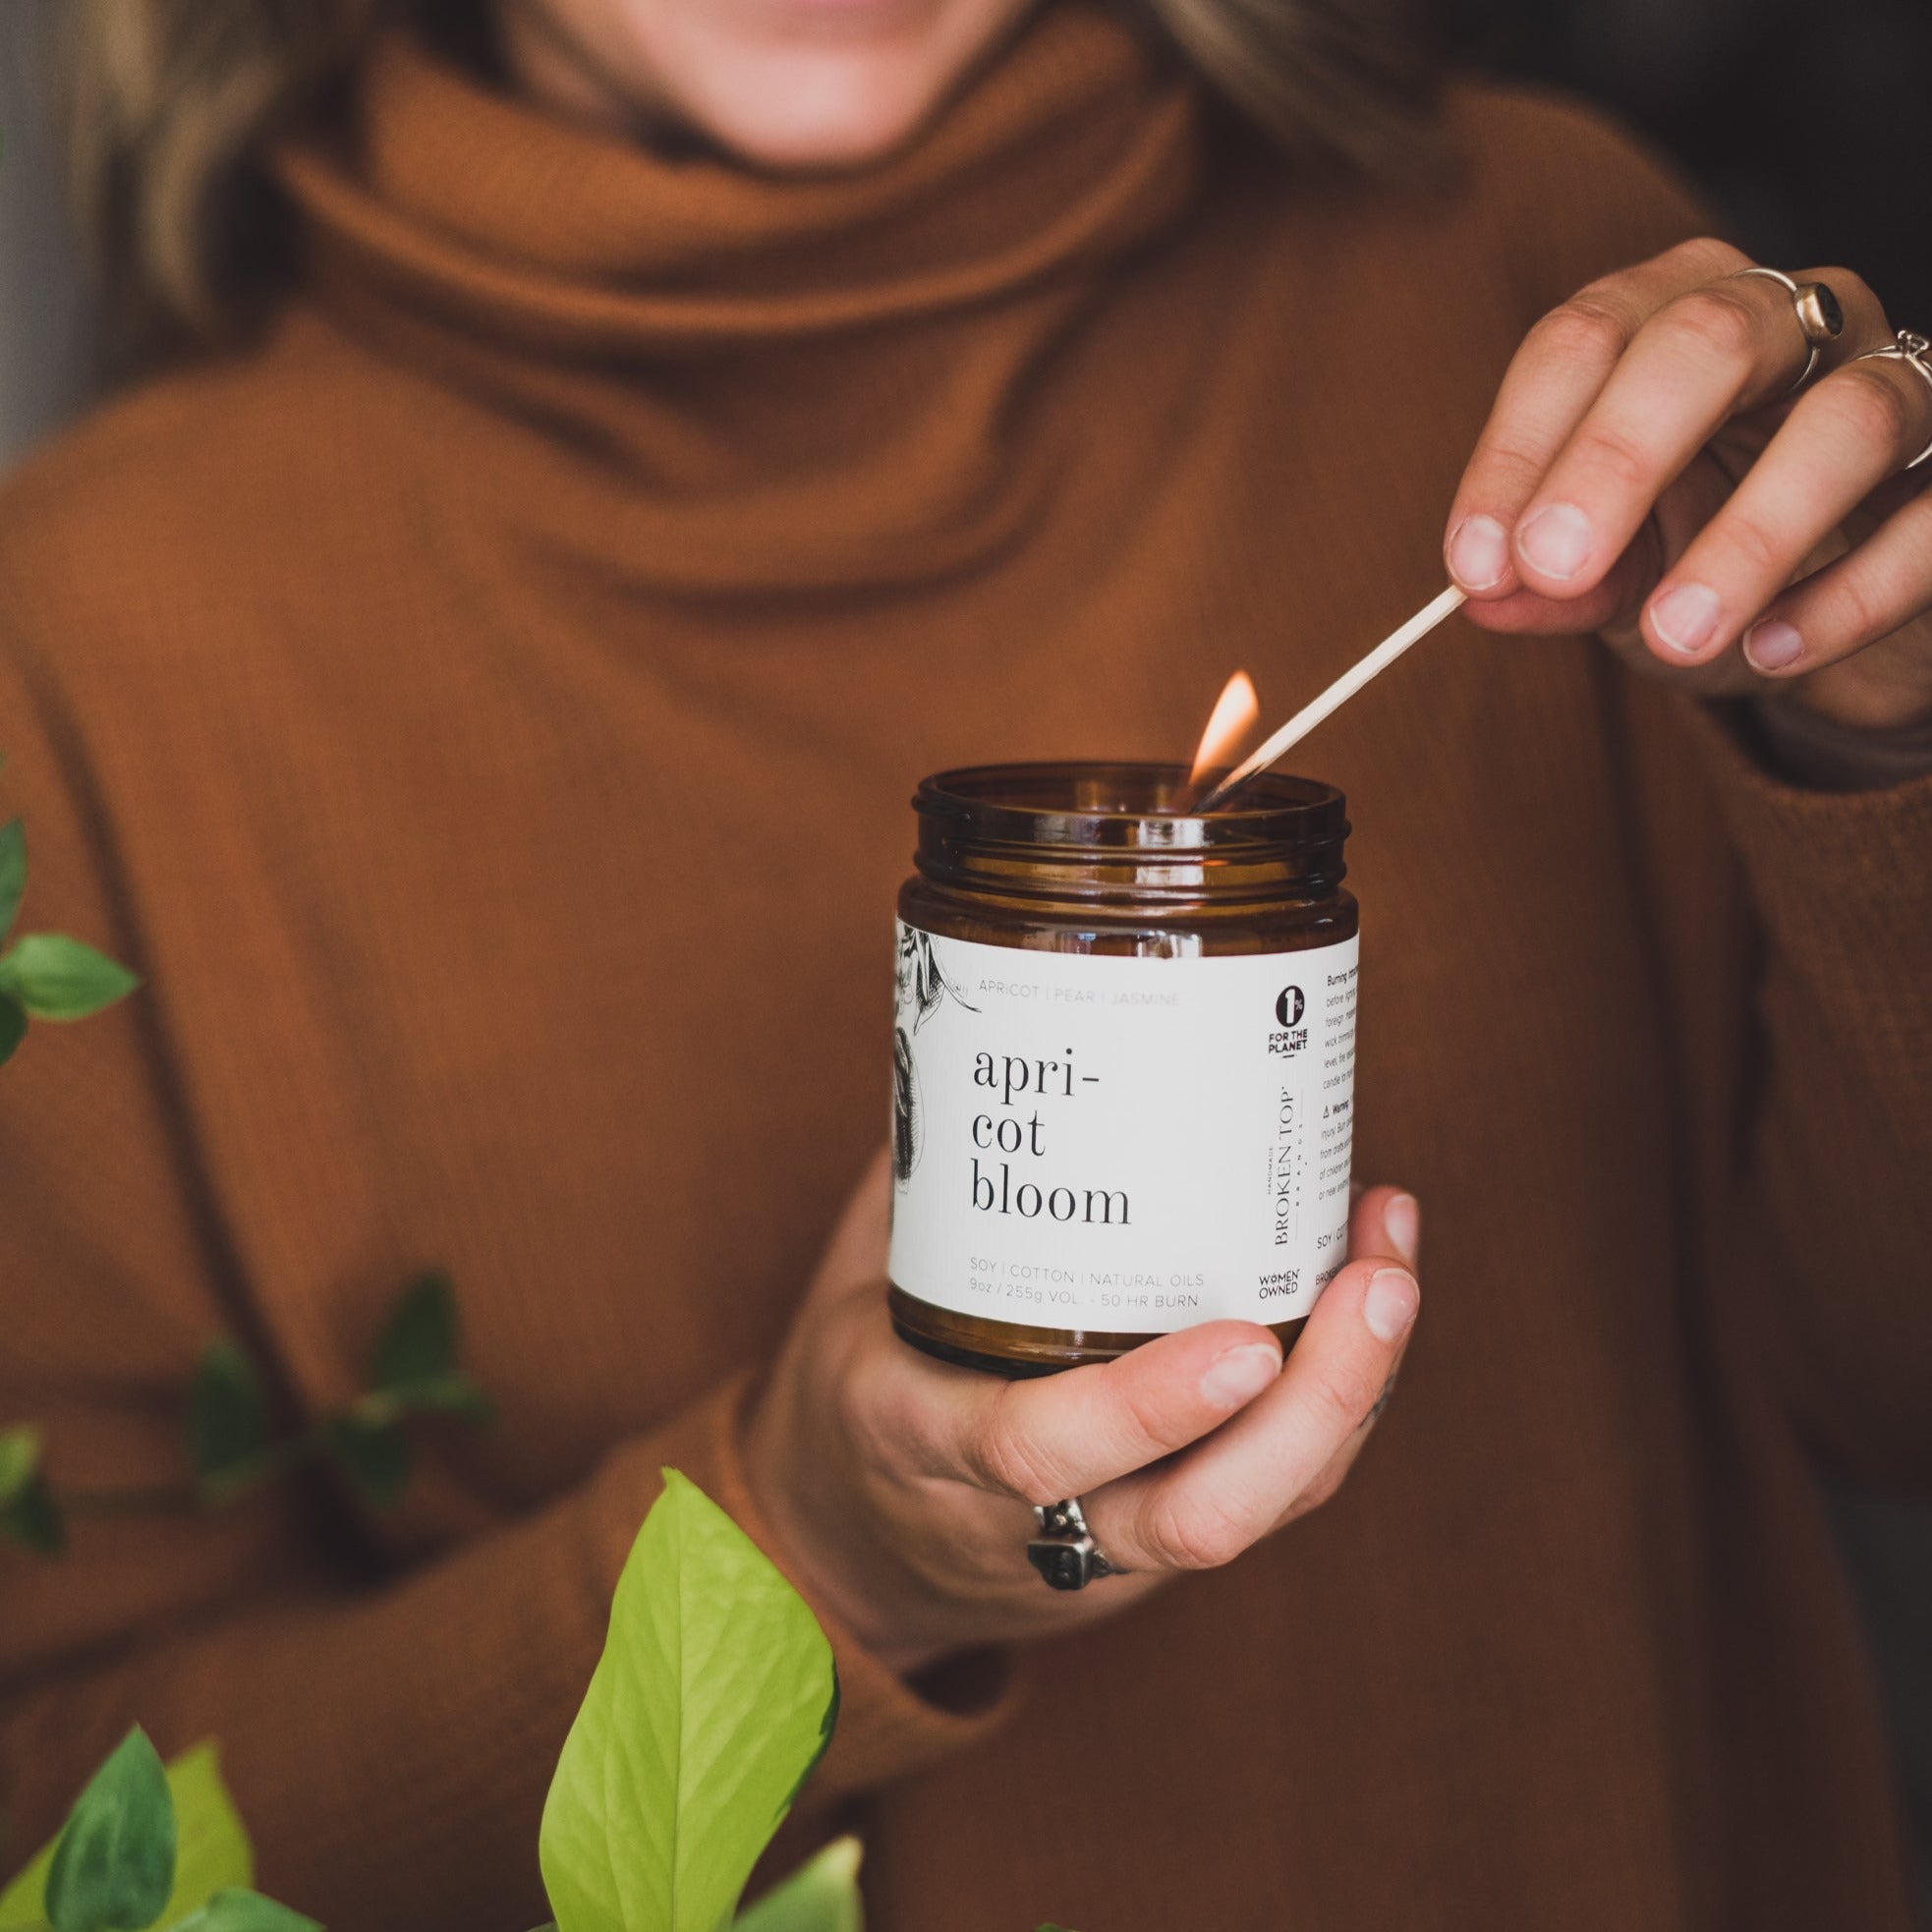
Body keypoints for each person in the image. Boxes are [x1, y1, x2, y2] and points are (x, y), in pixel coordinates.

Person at [1, 0, 1927, 1924]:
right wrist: (809, 1561)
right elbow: (61, 1839)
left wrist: (1872, 734)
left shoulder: (1528, 290)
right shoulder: (93, 643)